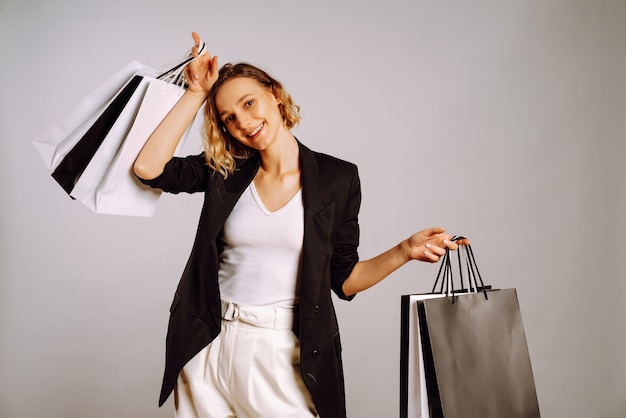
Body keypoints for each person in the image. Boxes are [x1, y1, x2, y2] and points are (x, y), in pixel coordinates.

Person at [133, 32, 467, 418]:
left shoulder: (337, 178)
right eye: (229, 117)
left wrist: (404, 252)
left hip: (282, 349)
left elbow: (343, 281)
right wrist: (195, 93)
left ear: (274, 94)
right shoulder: (224, 171)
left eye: (249, 102)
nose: (245, 121)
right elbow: (148, 168)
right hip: (208, 342)